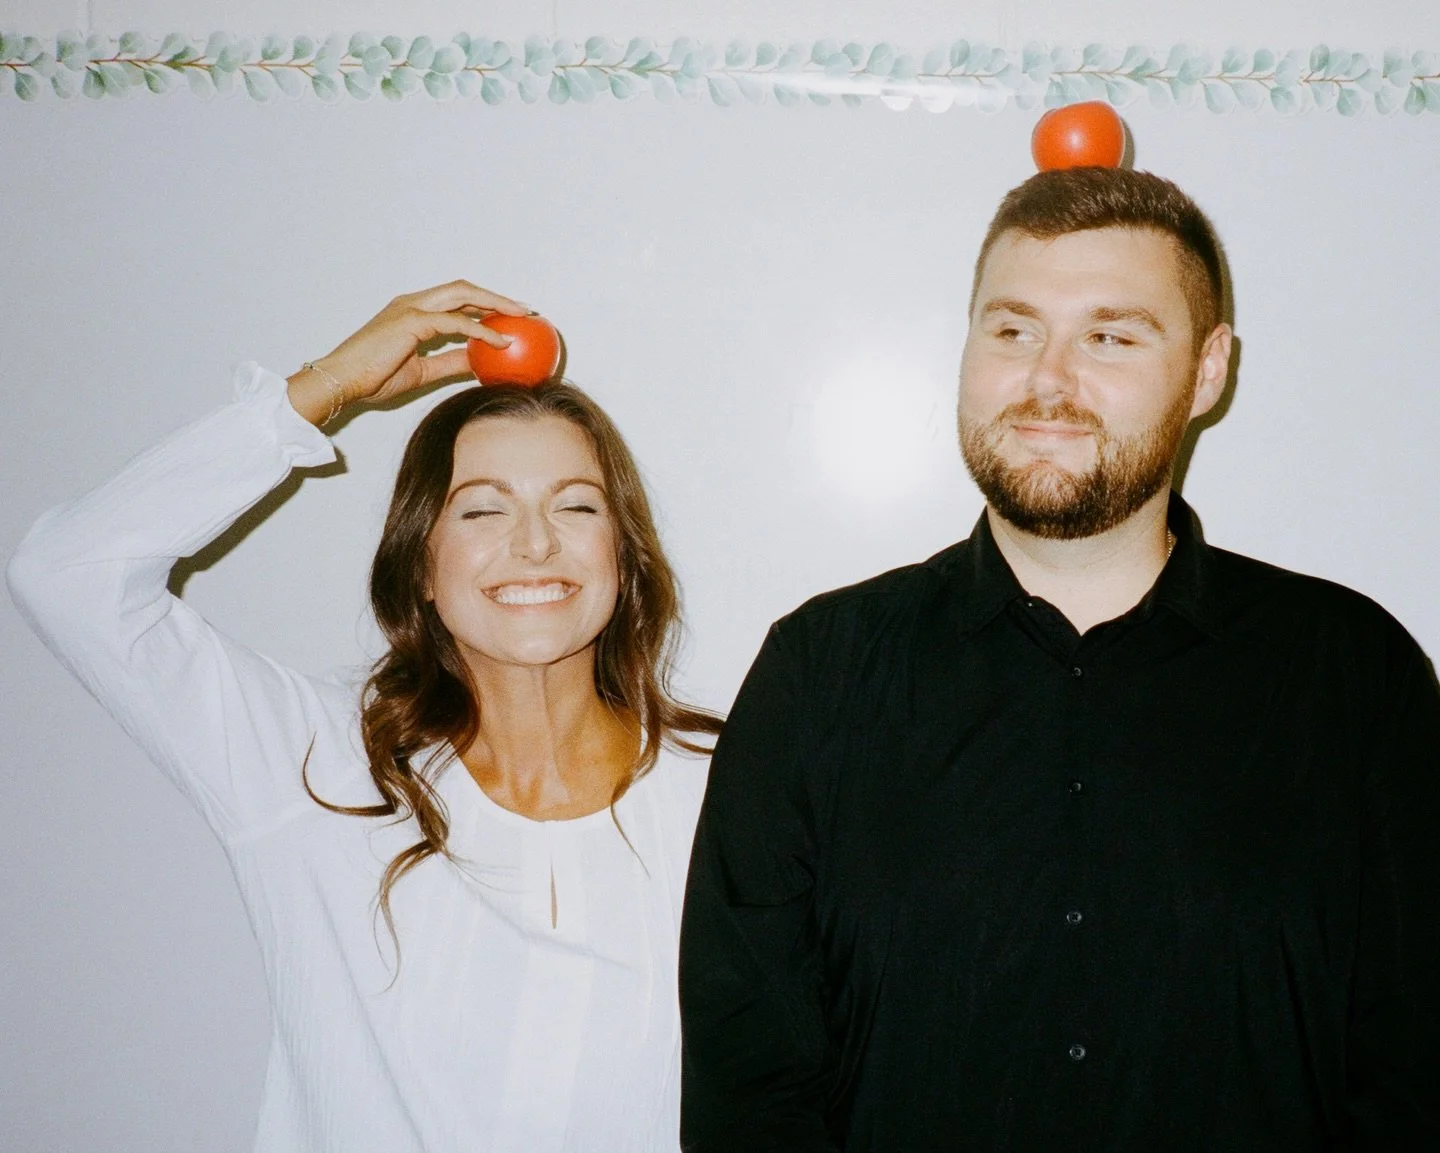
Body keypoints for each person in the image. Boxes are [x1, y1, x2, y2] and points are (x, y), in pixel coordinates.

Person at [678, 168, 1440, 1150]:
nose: (1049, 379)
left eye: (1110, 336)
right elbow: (751, 1091)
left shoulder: (1356, 676)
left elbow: (1414, 1072)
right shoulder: (818, 673)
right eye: (1012, 329)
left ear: (1209, 371)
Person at [7, 282, 720, 1152]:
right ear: (422, 564)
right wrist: (327, 386)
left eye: (576, 506)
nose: (535, 544)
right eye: (484, 509)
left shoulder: (730, 788)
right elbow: (68, 572)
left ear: (624, 558)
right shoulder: (311, 761)